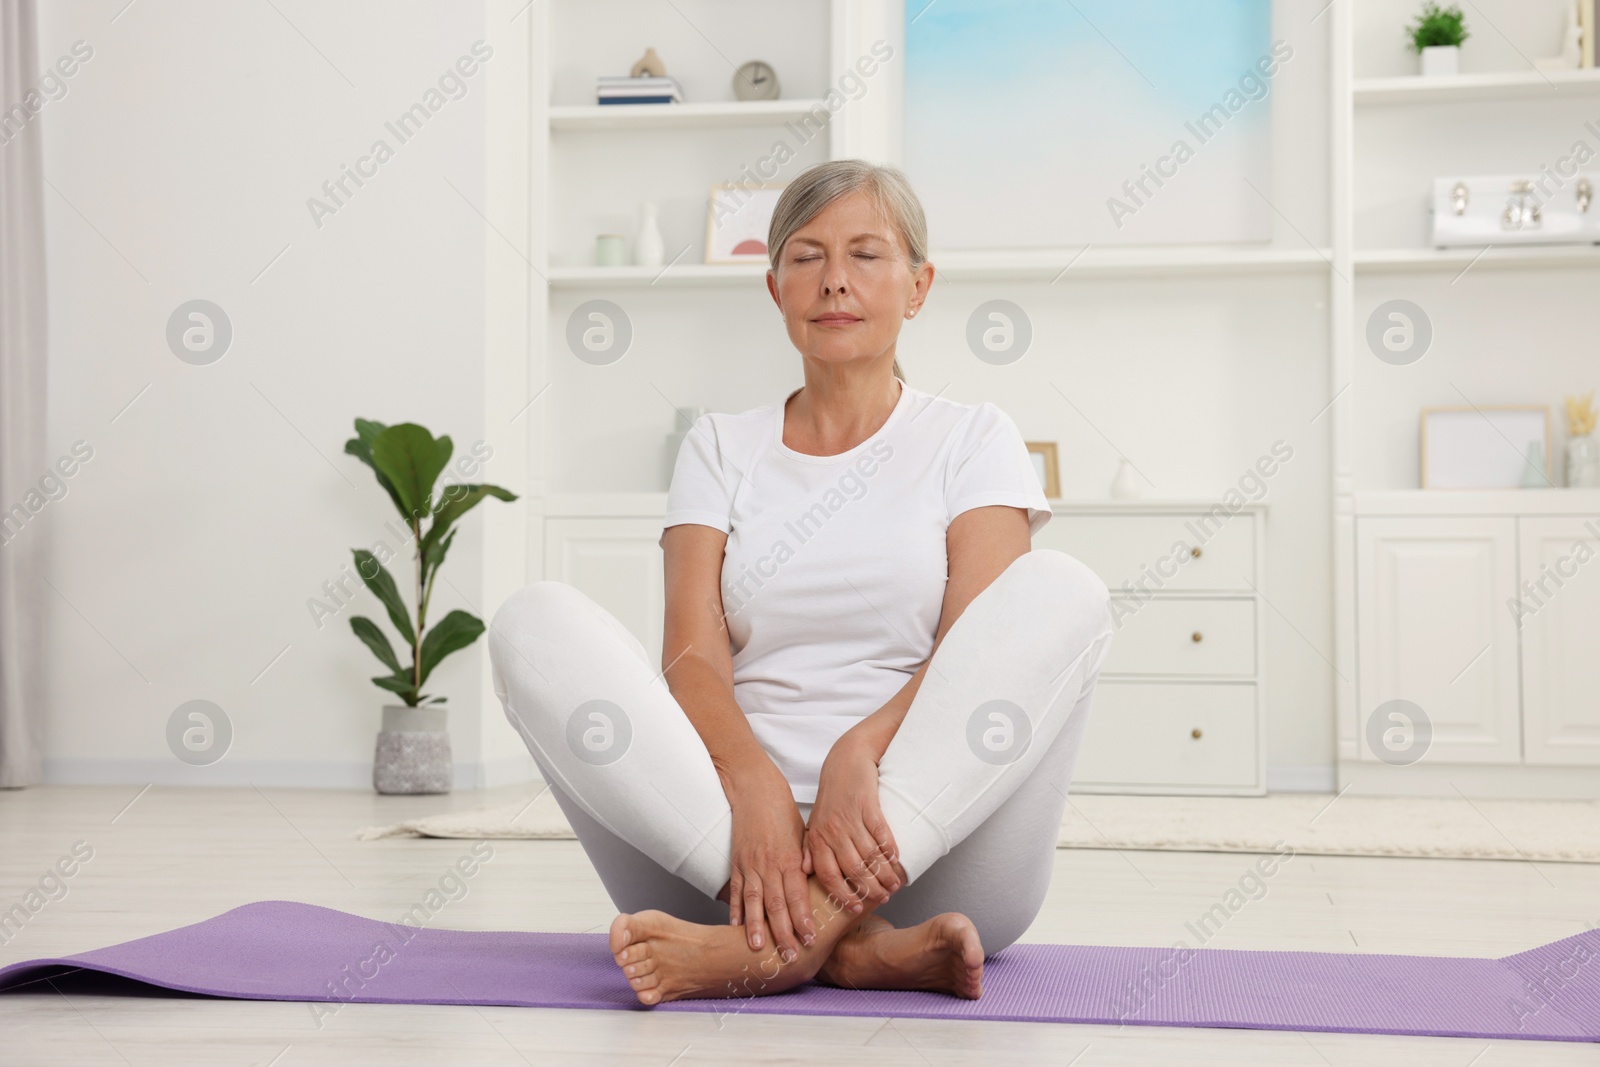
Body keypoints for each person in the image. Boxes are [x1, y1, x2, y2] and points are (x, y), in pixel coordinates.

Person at [489, 159, 1113, 1006]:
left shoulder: (974, 438)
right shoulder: (719, 445)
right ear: (775, 286)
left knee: (1065, 590)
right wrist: (756, 784)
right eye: (807, 256)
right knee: (533, 621)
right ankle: (853, 951)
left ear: (919, 284)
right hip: (728, 858)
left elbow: (973, 649)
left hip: (934, 852)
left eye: (866, 254)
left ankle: (787, 948)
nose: (836, 282)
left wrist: (860, 750)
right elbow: (691, 658)